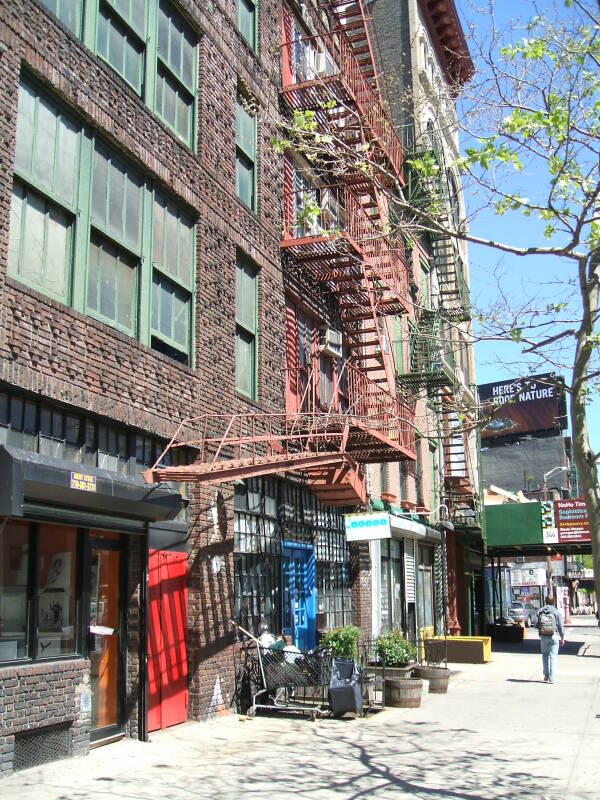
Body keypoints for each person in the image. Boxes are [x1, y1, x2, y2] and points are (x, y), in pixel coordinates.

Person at [537, 595, 565, 684]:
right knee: (553, 656)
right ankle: (552, 678)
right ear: (554, 602)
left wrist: (541, 628)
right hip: (554, 636)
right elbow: (560, 626)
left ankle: (546, 675)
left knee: (545, 655)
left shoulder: (540, 611)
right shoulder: (556, 612)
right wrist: (562, 637)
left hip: (543, 635)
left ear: (545, 601)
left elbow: (535, 624)